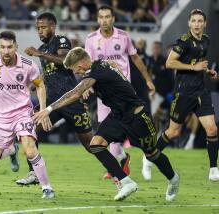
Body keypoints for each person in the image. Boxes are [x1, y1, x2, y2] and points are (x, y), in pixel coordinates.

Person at [33, 47, 179, 201]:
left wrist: (49, 109)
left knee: (152, 154)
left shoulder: (95, 72)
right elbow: (110, 69)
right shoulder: (99, 65)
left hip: (137, 117)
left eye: (76, 70)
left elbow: (75, 93)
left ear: (81, 66)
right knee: (96, 144)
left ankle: (173, 178)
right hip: (117, 116)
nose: (76, 73)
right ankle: (126, 182)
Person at [16, 12, 93, 185]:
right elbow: (49, 73)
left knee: (90, 144)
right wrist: (34, 84)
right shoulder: (42, 49)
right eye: (38, 28)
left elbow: (65, 60)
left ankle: (118, 169)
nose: (40, 31)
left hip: (71, 100)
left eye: (43, 27)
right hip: (52, 103)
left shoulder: (61, 40)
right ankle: (34, 173)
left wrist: (38, 54)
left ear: (53, 26)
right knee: (30, 129)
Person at [143, 9, 219, 182]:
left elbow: (197, 63)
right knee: (174, 131)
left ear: (205, 24)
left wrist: (208, 71)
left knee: (212, 128)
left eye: (200, 21)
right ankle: (148, 157)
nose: (197, 24)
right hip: (183, 92)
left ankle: (213, 169)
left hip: (200, 90)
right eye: (194, 21)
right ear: (189, 23)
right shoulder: (183, 42)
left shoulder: (206, 40)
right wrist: (195, 68)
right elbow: (170, 62)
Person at [0, 31, 55, 198]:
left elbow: (40, 85)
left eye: (10, 47)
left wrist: (43, 109)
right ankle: (12, 150)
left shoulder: (28, 65)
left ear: (16, 47)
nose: (6, 51)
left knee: (30, 150)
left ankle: (47, 188)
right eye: (3, 47)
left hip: (22, 113)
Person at [84, 5, 155, 179]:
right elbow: (87, 65)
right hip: (103, 93)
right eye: (101, 17)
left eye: (107, 17)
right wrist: (86, 86)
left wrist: (148, 79)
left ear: (113, 18)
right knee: (107, 131)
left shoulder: (123, 37)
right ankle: (122, 158)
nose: (104, 20)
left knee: (119, 132)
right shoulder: (91, 39)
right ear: (97, 19)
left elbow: (135, 58)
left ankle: (117, 168)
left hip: (123, 95)